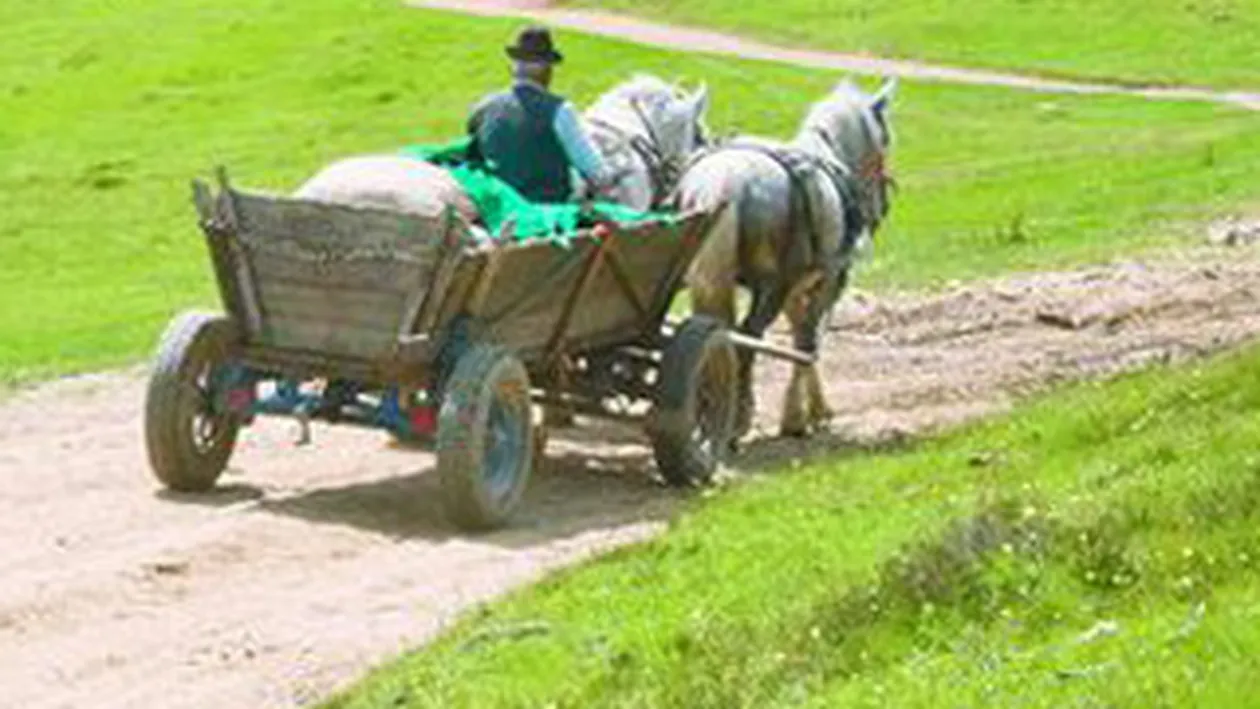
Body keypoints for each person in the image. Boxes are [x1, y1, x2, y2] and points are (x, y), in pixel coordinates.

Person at [466, 25, 619, 204]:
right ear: (548, 70)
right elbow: (597, 174)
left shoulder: (484, 106)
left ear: (513, 68)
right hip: (547, 212)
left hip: (497, 208)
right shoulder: (560, 111)